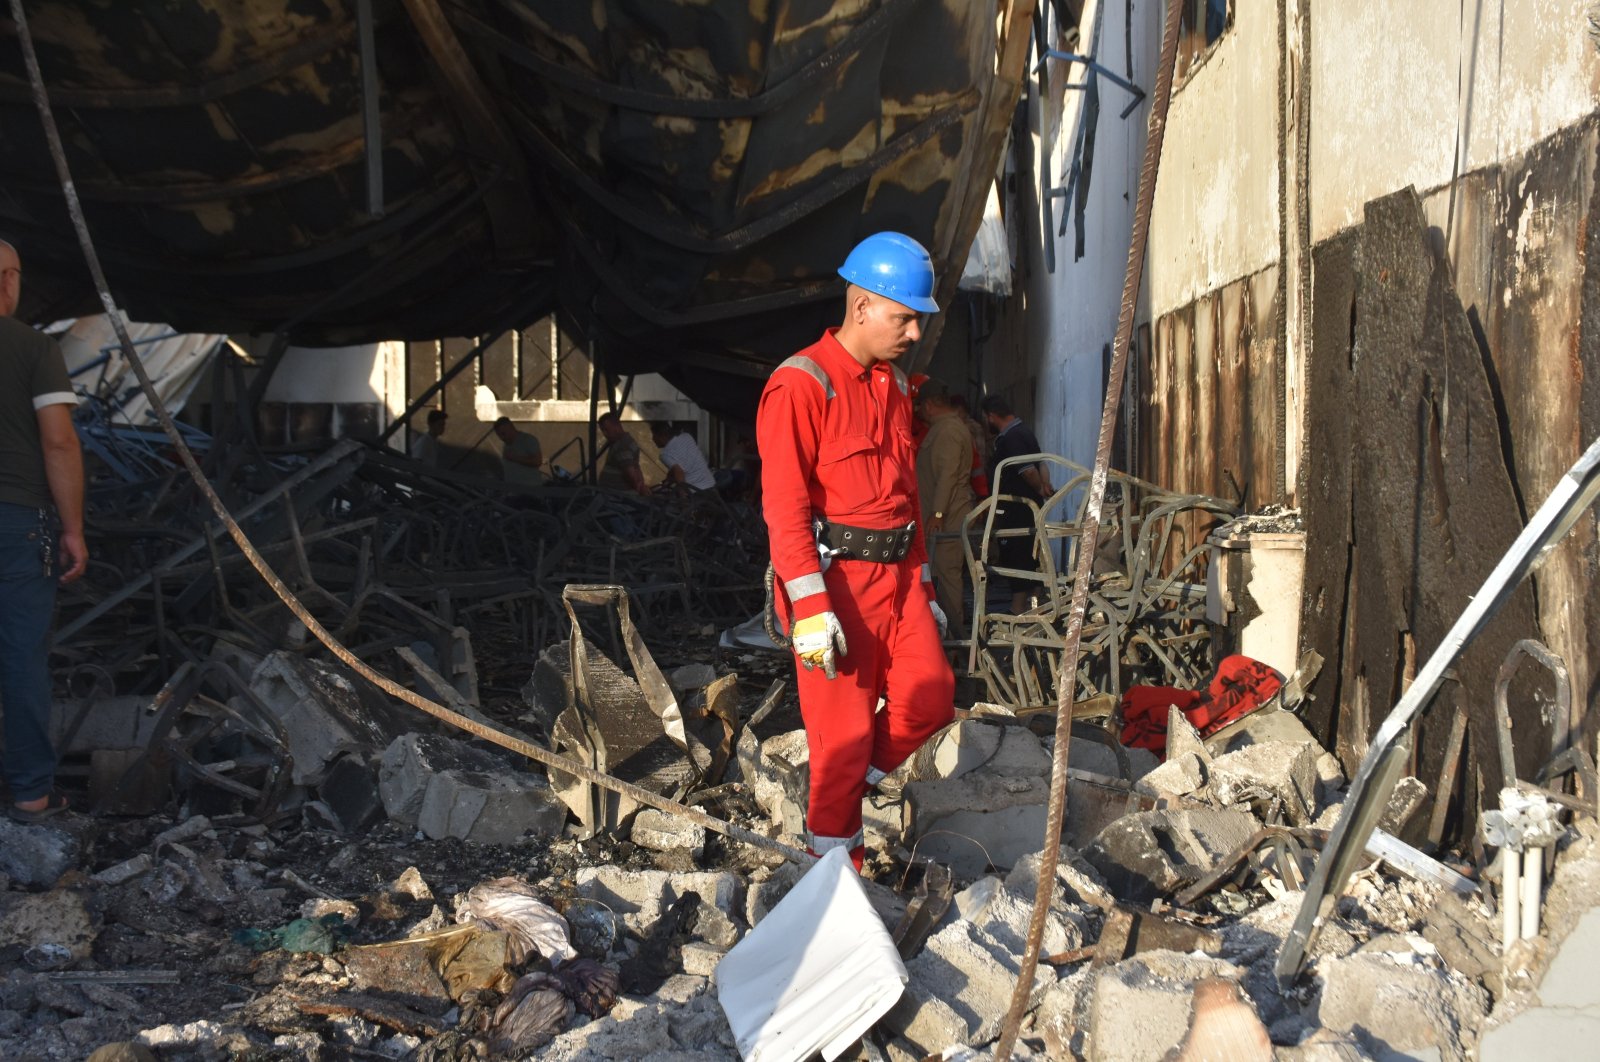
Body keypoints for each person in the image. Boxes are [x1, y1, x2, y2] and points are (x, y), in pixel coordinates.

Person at [756, 231, 955, 870]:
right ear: (862, 305)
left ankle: (849, 790)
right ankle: (834, 876)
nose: (915, 332)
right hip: (835, 587)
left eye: (919, 319)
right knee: (840, 740)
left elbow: (907, 498)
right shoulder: (801, 384)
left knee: (930, 700)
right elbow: (784, 507)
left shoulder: (894, 386)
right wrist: (809, 606)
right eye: (905, 317)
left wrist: (922, 586)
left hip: (897, 581)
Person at [0, 239, 88, 822]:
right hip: (16, 518)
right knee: (20, 657)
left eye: (13, 275)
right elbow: (58, 440)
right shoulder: (33, 348)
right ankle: (31, 791)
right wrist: (74, 529)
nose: (10, 286)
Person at [913, 378, 975, 641]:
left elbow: (948, 475)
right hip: (942, 519)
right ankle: (947, 640)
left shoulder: (948, 430)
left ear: (928, 405)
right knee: (940, 576)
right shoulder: (945, 429)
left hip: (947, 520)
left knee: (947, 579)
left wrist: (937, 514)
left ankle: (955, 642)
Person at [981, 394, 1055, 613]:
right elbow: (1040, 462)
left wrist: (1040, 487)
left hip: (1018, 508)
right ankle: (1033, 605)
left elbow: (1028, 470)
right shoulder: (1024, 431)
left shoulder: (1012, 438)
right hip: (1026, 506)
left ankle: (1018, 608)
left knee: (1017, 554)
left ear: (991, 417)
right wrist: (1044, 486)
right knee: (1029, 552)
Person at [649, 421, 716, 491]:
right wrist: (668, 479)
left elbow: (679, 472)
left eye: (654, 435)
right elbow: (678, 465)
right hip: (711, 484)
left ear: (662, 436)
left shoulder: (665, 454)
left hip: (696, 491)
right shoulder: (686, 436)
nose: (653, 439)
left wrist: (683, 495)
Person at [949, 392, 991, 499]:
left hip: (970, 486)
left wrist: (981, 491)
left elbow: (979, 459)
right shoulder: (965, 427)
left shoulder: (969, 429)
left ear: (958, 410)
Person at [596, 412, 649, 496]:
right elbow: (636, 466)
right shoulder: (625, 441)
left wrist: (639, 489)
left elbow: (630, 473)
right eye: (603, 430)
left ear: (616, 426)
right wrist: (641, 485)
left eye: (606, 430)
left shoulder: (623, 446)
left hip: (617, 497)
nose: (604, 434)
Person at [493, 416, 544, 489]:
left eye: (503, 434)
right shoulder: (507, 445)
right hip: (513, 491)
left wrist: (514, 458)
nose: (502, 438)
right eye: (499, 435)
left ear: (510, 427)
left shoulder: (527, 440)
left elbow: (537, 461)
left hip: (529, 490)